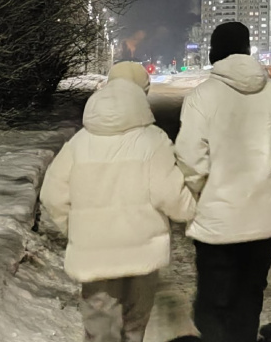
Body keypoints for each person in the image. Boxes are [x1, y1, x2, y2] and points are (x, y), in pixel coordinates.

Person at [40, 61, 196, 342]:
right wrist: (192, 209)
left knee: (100, 330)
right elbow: (171, 195)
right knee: (134, 327)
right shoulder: (153, 140)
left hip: (95, 255)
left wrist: (75, 231)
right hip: (142, 255)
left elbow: (52, 196)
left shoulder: (78, 143)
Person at [176, 22, 271, 342]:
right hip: (261, 220)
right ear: (247, 49)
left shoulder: (201, 96)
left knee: (213, 304)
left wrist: (203, 190)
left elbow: (189, 157)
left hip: (216, 221)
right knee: (249, 300)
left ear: (215, 52)